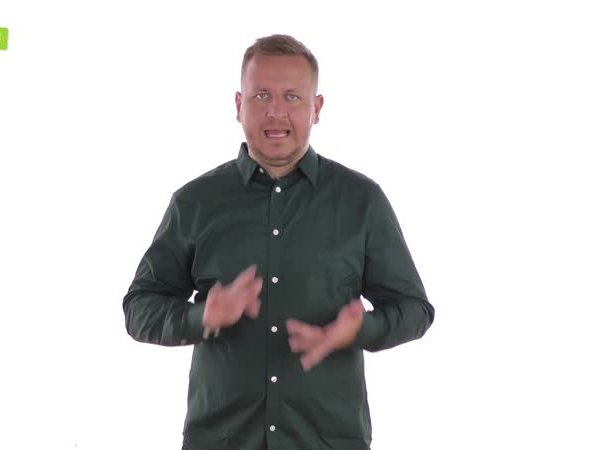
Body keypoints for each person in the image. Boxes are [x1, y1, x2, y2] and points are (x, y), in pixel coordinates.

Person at [123, 33, 435, 450]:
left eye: (292, 97)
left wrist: (362, 329)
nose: (276, 111)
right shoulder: (195, 203)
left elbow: (414, 309)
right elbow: (139, 308)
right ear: (238, 105)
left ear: (316, 108)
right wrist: (201, 316)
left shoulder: (361, 201)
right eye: (261, 96)